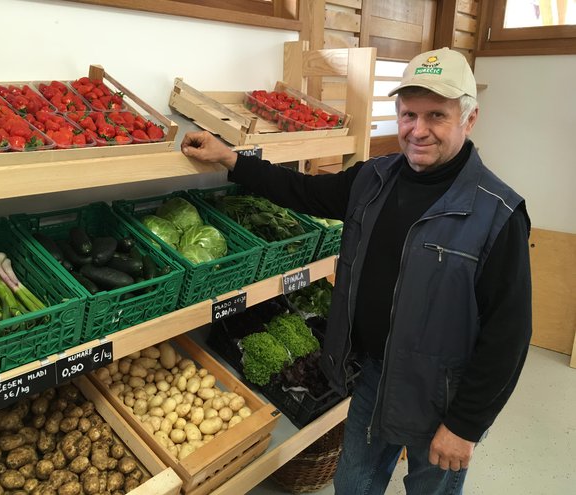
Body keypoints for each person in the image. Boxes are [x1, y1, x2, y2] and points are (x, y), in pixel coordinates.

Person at [181, 47, 532, 494]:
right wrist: (231, 159)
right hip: (369, 378)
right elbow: (302, 191)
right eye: (408, 115)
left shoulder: (497, 213)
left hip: (440, 398)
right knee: (353, 486)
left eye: (436, 116)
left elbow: (509, 333)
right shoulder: (374, 177)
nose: (418, 131)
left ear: (470, 118)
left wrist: (464, 424)